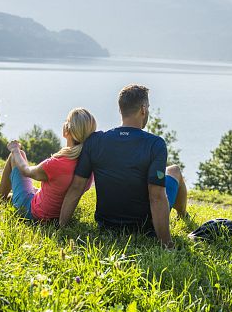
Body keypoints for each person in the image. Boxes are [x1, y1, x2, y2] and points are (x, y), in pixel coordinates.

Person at [59, 85, 187, 248]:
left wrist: (61, 226)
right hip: (145, 227)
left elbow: (76, 187)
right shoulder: (155, 144)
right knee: (174, 170)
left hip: (106, 225)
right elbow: (157, 197)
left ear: (121, 110)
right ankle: (183, 214)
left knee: (170, 171)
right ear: (143, 109)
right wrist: (167, 244)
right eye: (147, 108)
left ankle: (184, 215)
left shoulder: (95, 141)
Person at [0, 108, 97, 221]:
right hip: (56, 212)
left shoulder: (57, 164)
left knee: (17, 156)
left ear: (67, 130)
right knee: (26, 185)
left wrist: (14, 150)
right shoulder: (88, 167)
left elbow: (26, 171)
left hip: (33, 212)